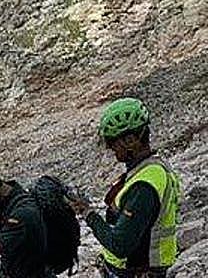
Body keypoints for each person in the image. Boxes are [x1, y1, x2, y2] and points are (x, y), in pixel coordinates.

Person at [67, 98, 181, 277]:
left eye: (113, 143)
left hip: (137, 271)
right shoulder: (152, 168)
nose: (111, 149)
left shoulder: (144, 185)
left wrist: (89, 214)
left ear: (131, 140)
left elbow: (120, 245)